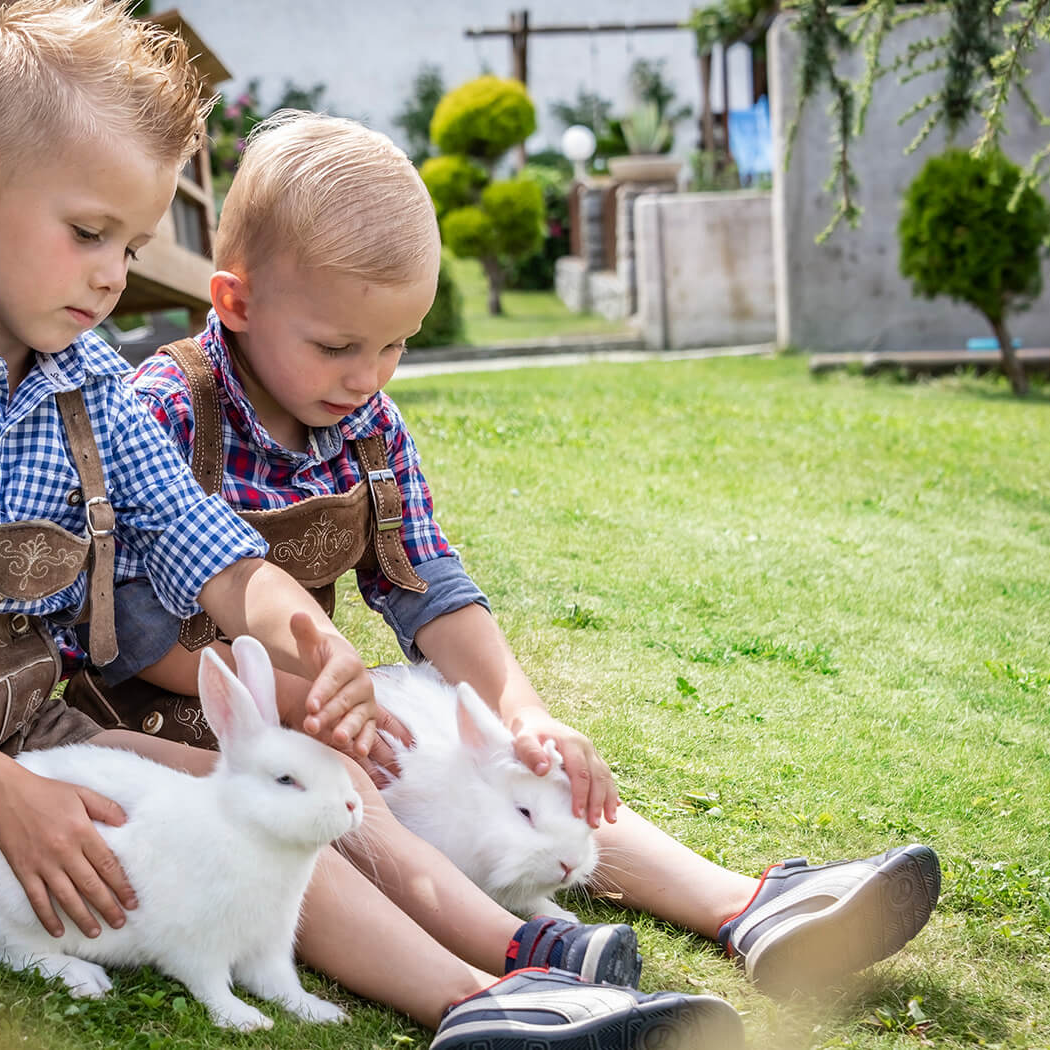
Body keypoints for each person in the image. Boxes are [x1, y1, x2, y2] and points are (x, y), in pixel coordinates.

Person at [0, 6, 745, 1049]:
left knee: (255, 808)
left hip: (23, 725)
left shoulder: (89, 388)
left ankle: (479, 995)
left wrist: (305, 637)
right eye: (90, 233)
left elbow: (212, 553)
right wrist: (6, 797)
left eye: (131, 242)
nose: (113, 272)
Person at [77, 110, 943, 1005]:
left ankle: (747, 908)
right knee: (353, 794)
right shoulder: (165, 411)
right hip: (173, 723)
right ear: (237, 303)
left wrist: (522, 714)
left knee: (503, 760)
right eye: (337, 347)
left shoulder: (367, 425)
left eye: (396, 345)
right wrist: (308, 704)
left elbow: (429, 584)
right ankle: (518, 948)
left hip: (320, 701)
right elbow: (124, 633)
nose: (368, 376)